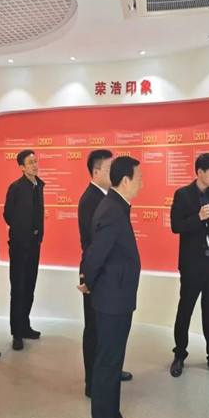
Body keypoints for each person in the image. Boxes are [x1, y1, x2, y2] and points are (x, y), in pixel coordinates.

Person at [80, 156, 143, 418]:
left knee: (113, 363)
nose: (141, 184)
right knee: (107, 365)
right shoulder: (112, 210)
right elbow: (95, 254)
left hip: (117, 297)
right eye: (139, 179)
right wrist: (88, 281)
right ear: (125, 180)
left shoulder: (117, 205)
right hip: (111, 301)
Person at [169, 153, 209, 379]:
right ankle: (179, 354)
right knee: (185, 309)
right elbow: (176, 226)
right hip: (191, 263)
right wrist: (198, 217)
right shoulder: (182, 195)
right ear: (200, 172)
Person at [77, 150, 132, 399]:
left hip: (108, 275)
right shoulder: (91, 199)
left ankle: (109, 372)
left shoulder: (110, 198)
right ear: (96, 172)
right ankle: (92, 381)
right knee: (94, 330)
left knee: (107, 331)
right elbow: (94, 246)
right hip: (96, 274)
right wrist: (89, 277)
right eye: (110, 170)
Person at [4, 149, 44, 351]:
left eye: (35, 161)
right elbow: (8, 215)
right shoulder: (16, 188)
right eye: (30, 162)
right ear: (21, 167)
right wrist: (22, 230)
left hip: (35, 244)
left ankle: (25, 325)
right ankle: (16, 333)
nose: (35, 165)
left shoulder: (39, 186)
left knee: (29, 287)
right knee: (18, 289)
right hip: (20, 245)